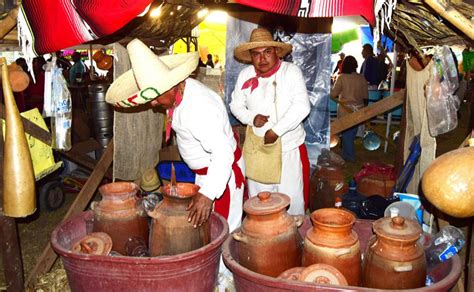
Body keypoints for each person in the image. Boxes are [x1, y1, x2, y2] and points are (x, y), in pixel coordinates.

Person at [105, 39, 244, 233]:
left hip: (221, 175)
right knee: (206, 231)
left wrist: (207, 194)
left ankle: (222, 264)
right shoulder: (180, 95)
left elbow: (223, 153)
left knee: (222, 233)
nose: (153, 104)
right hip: (206, 175)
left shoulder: (199, 108)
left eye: (154, 97)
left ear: (172, 85)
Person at [230, 27, 310, 215]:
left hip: (287, 149)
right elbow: (235, 105)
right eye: (256, 54)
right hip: (258, 149)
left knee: (291, 202)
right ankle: (262, 240)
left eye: (267, 52)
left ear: (276, 52)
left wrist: (276, 130)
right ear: (250, 56)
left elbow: (302, 106)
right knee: (260, 201)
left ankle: (292, 239)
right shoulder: (245, 75)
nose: (262, 58)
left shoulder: (291, 72)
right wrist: (251, 117)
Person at [330, 56, 368, 162]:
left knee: (347, 134)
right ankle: (346, 153)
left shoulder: (342, 78)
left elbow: (333, 94)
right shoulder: (361, 78)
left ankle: (349, 156)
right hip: (358, 109)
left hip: (345, 110)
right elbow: (365, 96)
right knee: (350, 133)